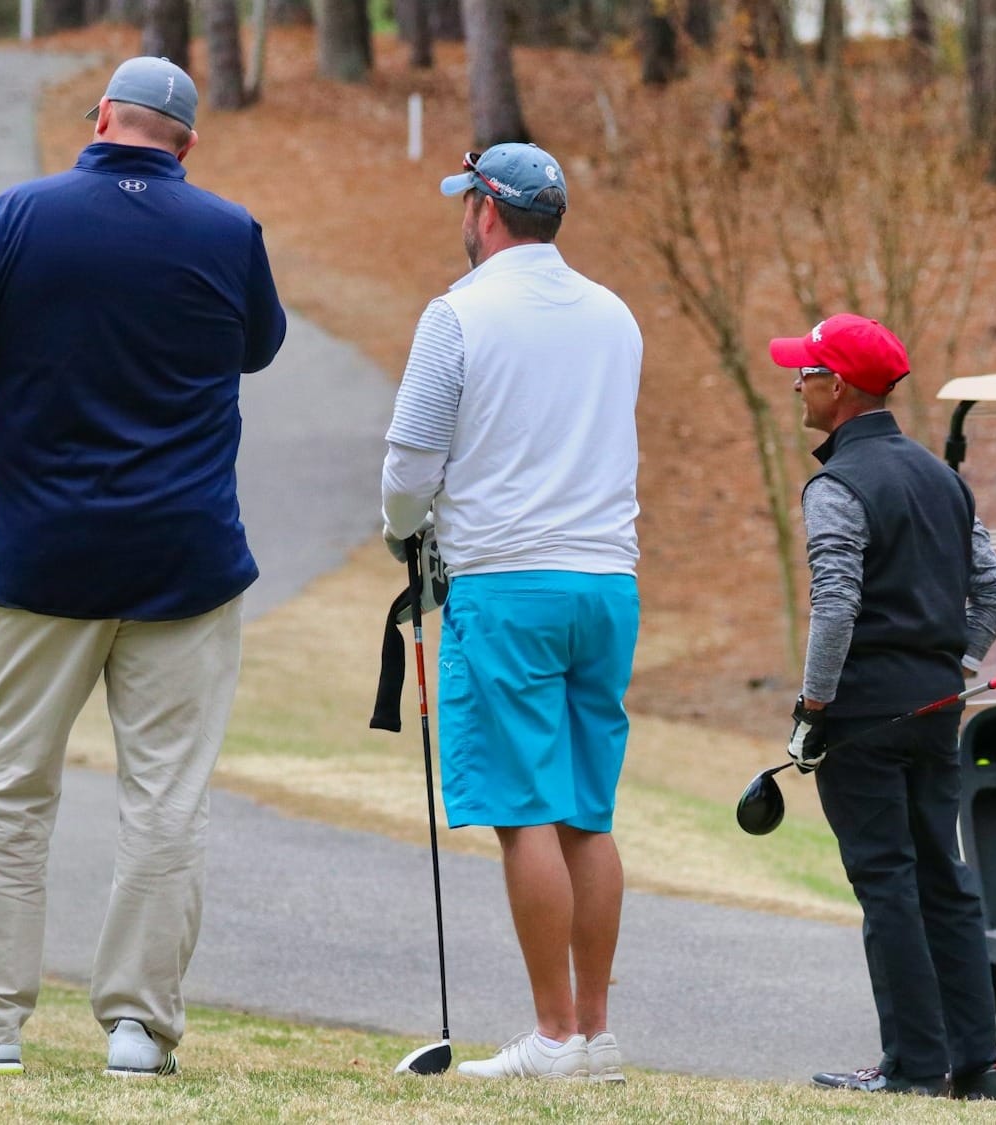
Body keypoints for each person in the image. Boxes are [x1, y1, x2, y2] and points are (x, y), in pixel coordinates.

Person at [0, 56, 286, 1078]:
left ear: (103, 118)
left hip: (46, 560)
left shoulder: (17, 217)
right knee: (164, 799)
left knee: (12, 790)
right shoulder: (228, 232)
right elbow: (259, 347)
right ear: (186, 144)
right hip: (188, 560)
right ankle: (137, 1031)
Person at [380, 144, 643, 1082]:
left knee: (524, 809)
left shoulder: (456, 316)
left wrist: (400, 529)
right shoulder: (615, 315)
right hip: (608, 583)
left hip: (507, 581)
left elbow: (411, 463)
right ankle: (599, 1032)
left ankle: (556, 1034)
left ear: (487, 211)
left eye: (467, 202)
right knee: (586, 808)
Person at [770, 314, 996, 1101]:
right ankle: (977, 1067)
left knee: (888, 884)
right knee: (942, 880)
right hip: (937, 709)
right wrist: (959, 664)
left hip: (865, 719)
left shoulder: (837, 483)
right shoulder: (942, 476)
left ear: (837, 386)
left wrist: (813, 705)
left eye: (804, 372)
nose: (797, 383)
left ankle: (912, 1066)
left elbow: (836, 605)